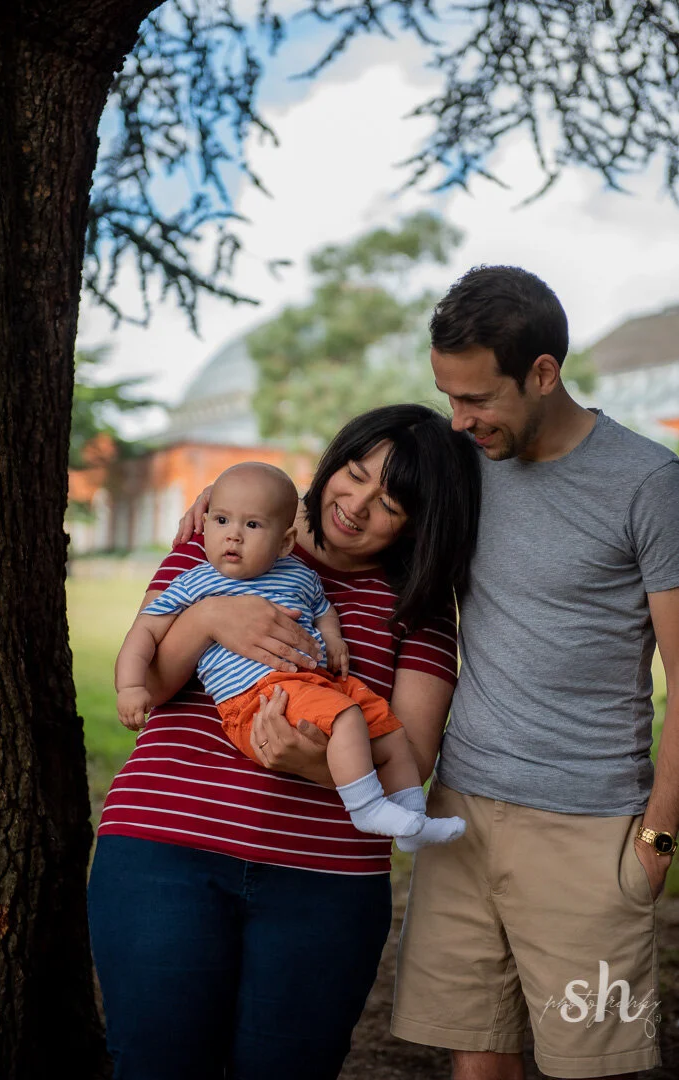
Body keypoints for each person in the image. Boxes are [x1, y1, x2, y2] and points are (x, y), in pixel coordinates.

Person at [88, 404, 481, 1080]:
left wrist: (318, 768)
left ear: (421, 520)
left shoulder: (417, 607)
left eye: (388, 502)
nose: (355, 505)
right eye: (353, 475)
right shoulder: (220, 539)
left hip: (323, 882)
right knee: (156, 1064)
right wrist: (210, 617)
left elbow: (408, 759)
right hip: (165, 852)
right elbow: (148, 683)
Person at [391, 266, 679, 1080]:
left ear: (543, 373)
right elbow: (346, 507)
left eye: (476, 398)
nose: (458, 419)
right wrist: (226, 512)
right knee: (477, 1064)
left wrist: (655, 842)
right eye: (446, 396)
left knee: (591, 1067)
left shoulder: (649, 486)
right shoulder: (461, 461)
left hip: (588, 832)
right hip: (461, 816)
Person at [115, 460, 465, 849]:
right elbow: (144, 633)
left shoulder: (298, 572)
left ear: (285, 540)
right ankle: (367, 809)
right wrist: (133, 684)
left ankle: (412, 822)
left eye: (389, 503)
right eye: (222, 521)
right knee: (348, 718)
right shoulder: (198, 575)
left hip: (314, 688)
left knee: (389, 732)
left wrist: (334, 640)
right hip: (256, 697)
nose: (233, 536)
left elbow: (322, 609)